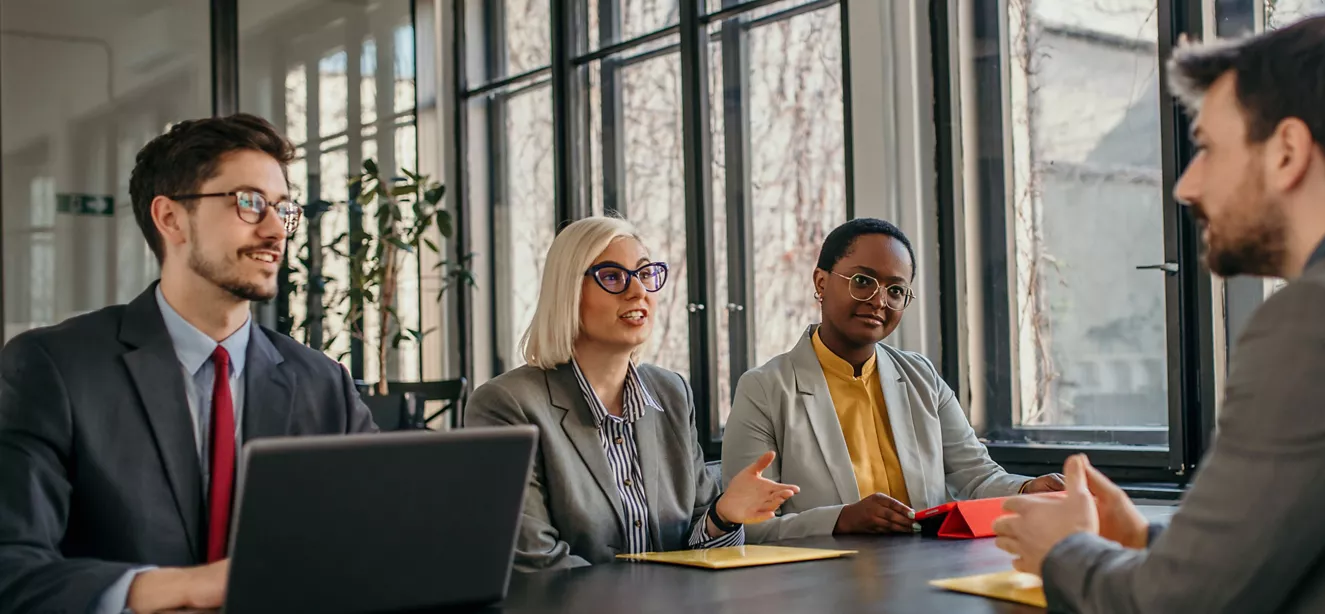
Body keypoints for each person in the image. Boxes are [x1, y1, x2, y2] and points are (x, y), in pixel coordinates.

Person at [992, 14, 1325, 613]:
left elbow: (1174, 607)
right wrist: (1142, 537)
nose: (1185, 186)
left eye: (1206, 148)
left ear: (1287, 152)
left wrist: (1063, 550)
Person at [0, 114, 379, 614]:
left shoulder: (321, 382)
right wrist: (182, 588)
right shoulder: (53, 367)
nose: (275, 230)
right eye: (249, 203)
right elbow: (13, 568)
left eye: (284, 209)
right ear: (170, 218)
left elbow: (381, 536)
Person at [465, 216, 799, 571]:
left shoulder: (671, 393)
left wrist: (725, 515)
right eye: (612, 277)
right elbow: (536, 564)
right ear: (568, 294)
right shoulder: (505, 405)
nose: (638, 291)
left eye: (645, 274)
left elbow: (696, 547)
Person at [722, 218, 1065, 543]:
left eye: (896, 290)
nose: (879, 301)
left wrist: (1027, 490)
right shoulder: (764, 388)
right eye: (862, 282)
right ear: (821, 283)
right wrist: (840, 520)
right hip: (821, 584)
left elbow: (977, 477)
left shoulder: (922, 378)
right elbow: (747, 526)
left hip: (922, 571)